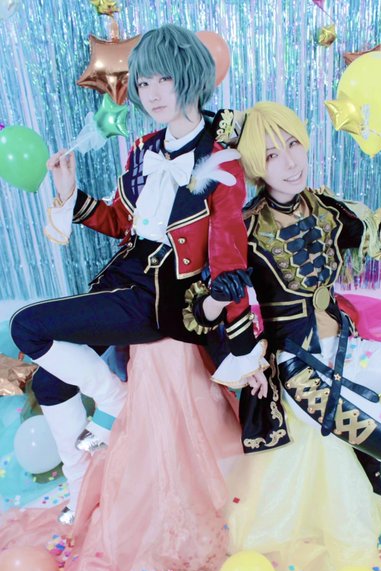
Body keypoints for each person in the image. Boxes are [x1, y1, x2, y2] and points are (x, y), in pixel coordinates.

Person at [9, 25, 267, 523]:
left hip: (162, 299)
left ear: (190, 77)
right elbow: (120, 222)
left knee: (26, 325)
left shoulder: (222, 160)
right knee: (50, 385)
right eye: (143, 82)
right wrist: (70, 192)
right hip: (122, 280)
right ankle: (81, 494)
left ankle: (114, 399)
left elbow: (229, 256)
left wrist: (243, 346)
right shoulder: (143, 149)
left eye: (162, 79)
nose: (151, 93)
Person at [192, 102, 381, 535]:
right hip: (302, 371)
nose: (290, 162)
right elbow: (199, 312)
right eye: (272, 154)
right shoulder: (243, 229)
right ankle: (380, 450)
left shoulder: (327, 208)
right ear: (255, 164)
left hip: (349, 348)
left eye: (293, 144)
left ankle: (367, 454)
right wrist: (221, 299)